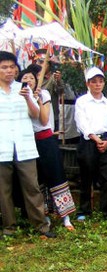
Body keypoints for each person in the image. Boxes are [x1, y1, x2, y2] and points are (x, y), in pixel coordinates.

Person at [0, 51, 54, 238]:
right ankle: (9, 227)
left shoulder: (23, 89)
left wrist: (28, 98)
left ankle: (40, 226)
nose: (9, 71)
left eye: (11, 67)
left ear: (16, 69)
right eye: (4, 67)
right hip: (2, 146)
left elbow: (36, 115)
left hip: (24, 145)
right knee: (3, 190)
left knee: (32, 186)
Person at [19, 65, 76, 230]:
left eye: (30, 77)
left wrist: (35, 99)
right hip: (29, 143)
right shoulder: (18, 97)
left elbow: (43, 120)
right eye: (24, 78)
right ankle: (44, 216)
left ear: (36, 79)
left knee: (56, 177)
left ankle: (65, 217)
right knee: (38, 181)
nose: (28, 81)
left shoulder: (43, 94)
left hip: (46, 140)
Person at [74, 67, 107, 220]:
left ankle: (106, 211)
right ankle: (84, 211)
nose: (97, 85)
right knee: (86, 177)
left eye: (100, 81)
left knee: (106, 179)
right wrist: (95, 138)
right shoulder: (82, 102)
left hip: (105, 143)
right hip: (88, 143)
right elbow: (82, 123)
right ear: (88, 84)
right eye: (94, 82)